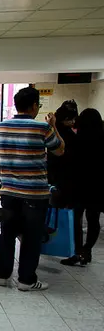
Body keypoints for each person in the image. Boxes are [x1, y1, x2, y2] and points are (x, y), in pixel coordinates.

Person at [0, 87, 65, 291]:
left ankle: (2, 276)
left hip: (8, 191)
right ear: (34, 106)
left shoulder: (1, 126)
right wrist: (54, 126)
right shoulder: (42, 128)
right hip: (35, 193)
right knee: (31, 237)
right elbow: (60, 150)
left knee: (7, 233)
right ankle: (26, 280)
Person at [61, 108, 102, 266]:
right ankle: (87, 250)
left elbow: (68, 162)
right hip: (97, 186)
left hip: (78, 185)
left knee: (76, 219)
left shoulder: (77, 140)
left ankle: (77, 252)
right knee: (93, 219)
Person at [48, 100, 78, 209]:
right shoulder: (66, 133)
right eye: (70, 119)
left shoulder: (52, 130)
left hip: (55, 174)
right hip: (63, 175)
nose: (73, 122)